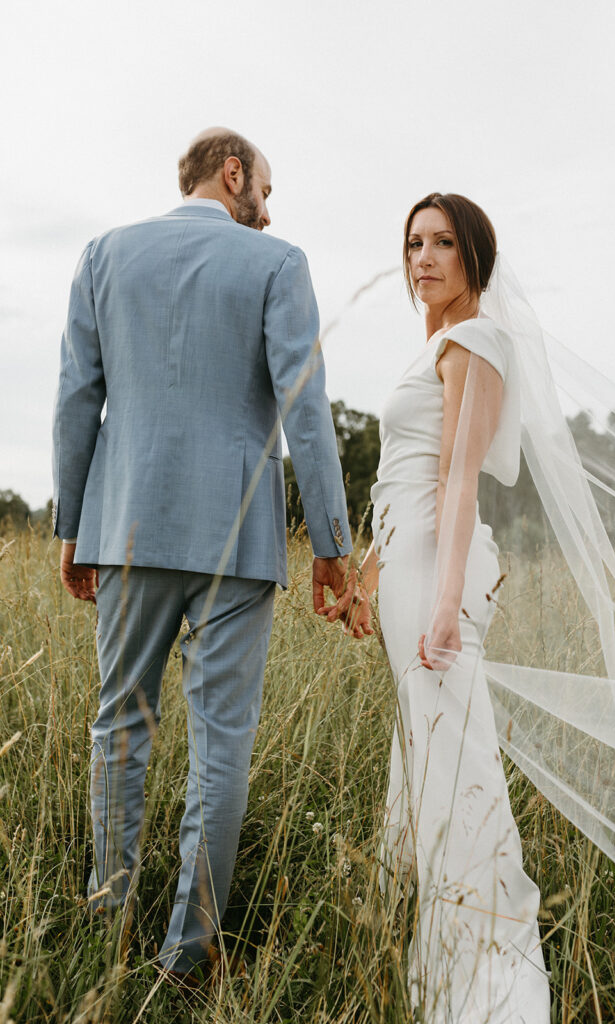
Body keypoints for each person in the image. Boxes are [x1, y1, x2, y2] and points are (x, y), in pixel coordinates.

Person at [52, 126, 371, 982]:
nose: (269, 205)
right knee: (219, 745)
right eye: (264, 184)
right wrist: (333, 547)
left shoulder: (102, 254)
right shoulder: (277, 265)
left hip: (124, 526)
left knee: (119, 724)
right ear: (233, 173)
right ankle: (187, 956)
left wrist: (70, 527)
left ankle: (104, 924)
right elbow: (306, 407)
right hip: (239, 539)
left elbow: (78, 397)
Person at [357, 194, 552, 1021]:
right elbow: (399, 476)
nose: (423, 257)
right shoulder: (438, 342)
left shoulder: (476, 340)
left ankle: (486, 986)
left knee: (456, 762)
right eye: (412, 243)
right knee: (430, 756)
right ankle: (436, 960)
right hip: (408, 573)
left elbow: (457, 482)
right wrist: (368, 575)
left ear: (475, 256)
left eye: (442, 243)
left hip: (440, 573)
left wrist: (444, 608)